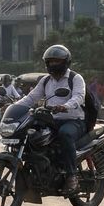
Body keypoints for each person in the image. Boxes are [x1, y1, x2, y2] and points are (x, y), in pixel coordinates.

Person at [15, 45, 86, 192]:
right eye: (51, 61)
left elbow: (79, 97)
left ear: (65, 62)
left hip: (73, 120)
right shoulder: (46, 80)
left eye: (57, 61)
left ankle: (72, 176)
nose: (53, 64)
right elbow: (31, 98)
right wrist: (14, 107)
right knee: (32, 133)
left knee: (65, 134)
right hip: (52, 120)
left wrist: (65, 106)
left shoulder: (75, 78)